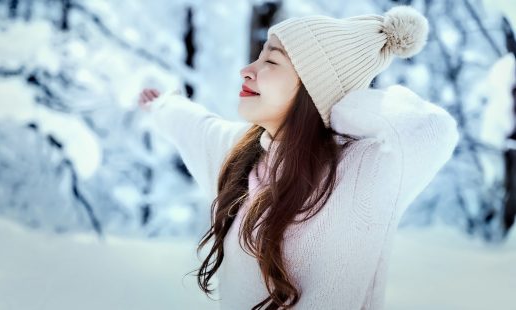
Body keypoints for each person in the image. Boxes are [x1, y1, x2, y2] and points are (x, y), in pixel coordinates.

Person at [138, 5, 459, 310]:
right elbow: (197, 127)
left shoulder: (365, 170)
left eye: (272, 62)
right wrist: (162, 105)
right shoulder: (240, 156)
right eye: (259, 57)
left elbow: (432, 131)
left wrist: (338, 104)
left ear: (313, 87)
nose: (247, 70)